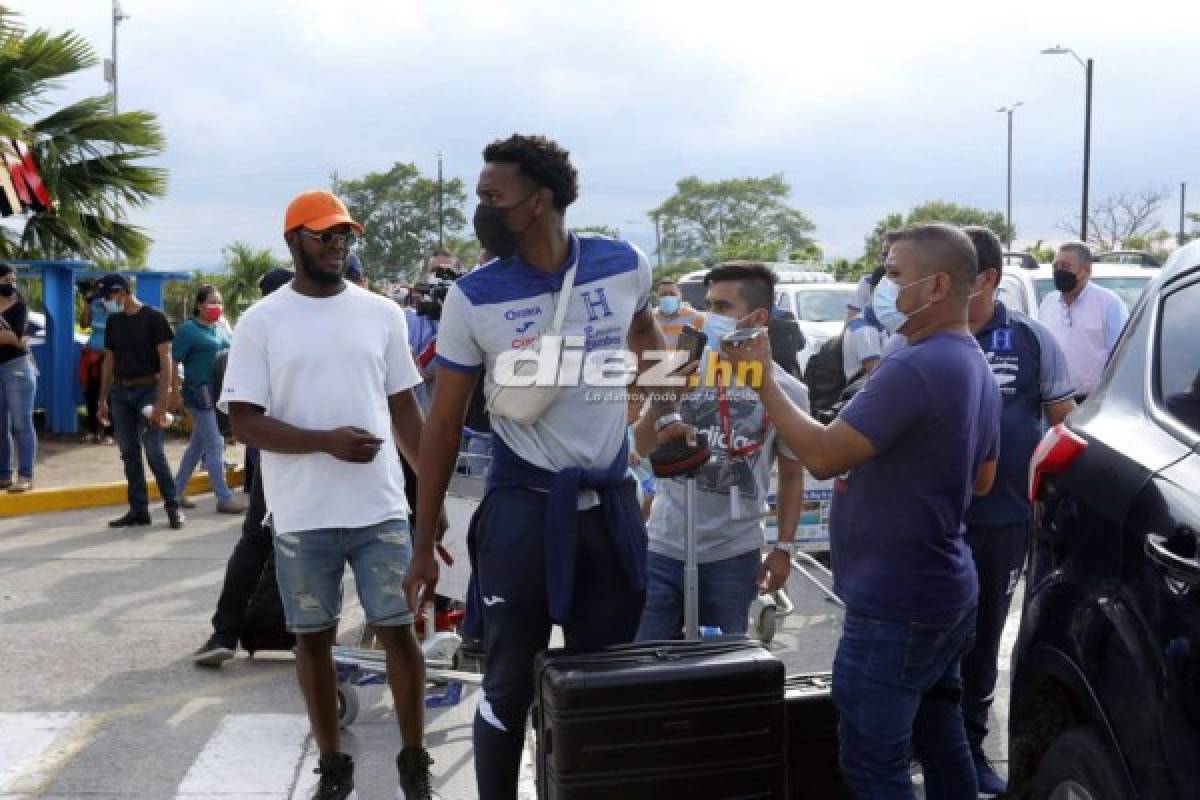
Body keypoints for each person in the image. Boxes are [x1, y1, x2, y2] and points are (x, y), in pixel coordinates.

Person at [406, 133, 680, 799]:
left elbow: (647, 342)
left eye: (494, 197)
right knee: (507, 683)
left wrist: (664, 417)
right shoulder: (473, 296)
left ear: (542, 200)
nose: (483, 210)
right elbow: (443, 424)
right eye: (480, 198)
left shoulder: (624, 263)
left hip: (609, 508)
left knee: (602, 681)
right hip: (522, 511)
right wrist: (424, 541)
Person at [722, 223, 1001, 798]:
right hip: (943, 586)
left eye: (895, 274)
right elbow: (982, 477)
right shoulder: (971, 361)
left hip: (896, 603)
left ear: (938, 285)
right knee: (940, 730)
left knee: (874, 764)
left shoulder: (915, 365)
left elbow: (821, 457)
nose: (881, 285)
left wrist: (765, 380)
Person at [222, 190, 437, 800]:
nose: (338, 245)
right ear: (293, 241)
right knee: (311, 640)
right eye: (325, 236)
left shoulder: (381, 314)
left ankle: (413, 767)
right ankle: (333, 769)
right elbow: (244, 421)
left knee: (399, 632)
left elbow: (405, 410)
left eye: (345, 235)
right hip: (302, 515)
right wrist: (325, 442)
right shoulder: (263, 321)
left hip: (380, 509)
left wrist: (431, 494)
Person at [959, 227, 1077, 793]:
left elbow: (1064, 426)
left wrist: (1050, 507)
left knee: (983, 639)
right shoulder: (917, 337)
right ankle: (918, 739)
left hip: (1001, 519)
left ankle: (969, 746)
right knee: (921, 634)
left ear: (986, 278)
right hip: (927, 519)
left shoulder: (1031, 339)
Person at [634, 262, 806, 639]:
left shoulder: (788, 391)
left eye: (722, 307)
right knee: (643, 666)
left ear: (757, 317)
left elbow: (793, 475)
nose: (708, 316)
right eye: (708, 305)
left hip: (733, 555)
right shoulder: (683, 371)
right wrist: (667, 397)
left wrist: (785, 548)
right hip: (662, 547)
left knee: (718, 673)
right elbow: (643, 446)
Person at [193, 269, 293, 668]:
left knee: (255, 542)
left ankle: (225, 632)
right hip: (307, 459)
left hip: (269, 459)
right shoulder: (296, 332)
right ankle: (308, 634)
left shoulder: (251, 337)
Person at [96, 274, 184, 530]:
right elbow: (108, 360)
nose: (104, 302)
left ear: (121, 292)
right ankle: (138, 510)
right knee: (128, 453)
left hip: (148, 390)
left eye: (107, 297)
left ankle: (173, 508)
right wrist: (102, 398)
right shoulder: (113, 322)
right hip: (121, 394)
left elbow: (166, 359)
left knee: (154, 452)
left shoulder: (154, 318)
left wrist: (162, 400)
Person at [172, 284, 245, 514]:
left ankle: (176, 491)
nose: (217, 307)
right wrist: (173, 391)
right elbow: (173, 361)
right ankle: (223, 497)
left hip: (219, 391)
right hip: (198, 392)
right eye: (212, 302)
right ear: (199, 305)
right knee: (215, 443)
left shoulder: (220, 329)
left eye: (219, 302)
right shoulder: (188, 330)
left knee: (198, 445)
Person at [1038, 242, 1129, 401]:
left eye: (1065, 266)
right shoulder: (1048, 303)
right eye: (1056, 266)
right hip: (1053, 402)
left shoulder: (1108, 304)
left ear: (1085, 270)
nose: (1058, 272)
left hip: (1093, 402)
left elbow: (1123, 358)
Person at [0, 264, 36, 492]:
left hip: (17, 368)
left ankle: (25, 474)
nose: (10, 284)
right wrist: (9, 337)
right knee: (0, 426)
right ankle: (4, 474)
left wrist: (11, 337)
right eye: (5, 279)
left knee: (22, 424)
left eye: (13, 280)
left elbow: (16, 338)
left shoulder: (19, 306)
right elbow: (10, 338)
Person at [79, 280, 113, 443]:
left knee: (110, 394)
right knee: (91, 394)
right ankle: (92, 429)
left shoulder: (117, 306)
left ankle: (109, 432)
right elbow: (84, 324)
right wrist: (88, 303)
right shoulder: (94, 304)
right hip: (93, 354)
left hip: (111, 356)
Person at [653, 277, 705, 349]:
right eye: (663, 294)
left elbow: (702, 346)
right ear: (657, 297)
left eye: (672, 294)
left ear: (679, 296)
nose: (668, 297)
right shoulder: (651, 319)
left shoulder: (695, 317)